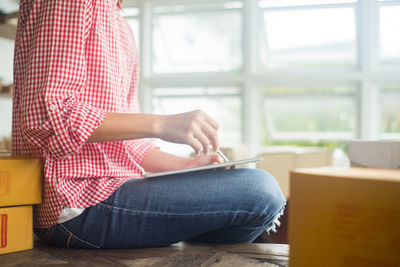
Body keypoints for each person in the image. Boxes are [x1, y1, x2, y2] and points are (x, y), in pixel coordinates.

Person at [12, 0, 285, 249]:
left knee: (244, 190)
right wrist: (163, 124)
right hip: (77, 205)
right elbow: (47, 118)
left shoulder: (117, 20)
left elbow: (127, 143)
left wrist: (185, 166)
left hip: (111, 190)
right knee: (261, 192)